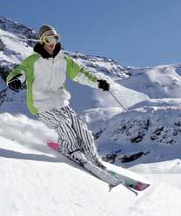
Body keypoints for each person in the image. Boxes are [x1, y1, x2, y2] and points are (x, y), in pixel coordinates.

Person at [6, 24, 123, 188]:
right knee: (64, 124)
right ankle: (71, 150)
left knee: (80, 127)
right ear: (42, 40)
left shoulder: (64, 60)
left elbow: (81, 74)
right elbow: (20, 72)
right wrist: (15, 80)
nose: (52, 42)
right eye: (48, 39)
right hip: (40, 104)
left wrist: (99, 83)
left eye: (55, 38)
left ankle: (91, 156)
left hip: (61, 101)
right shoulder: (33, 61)